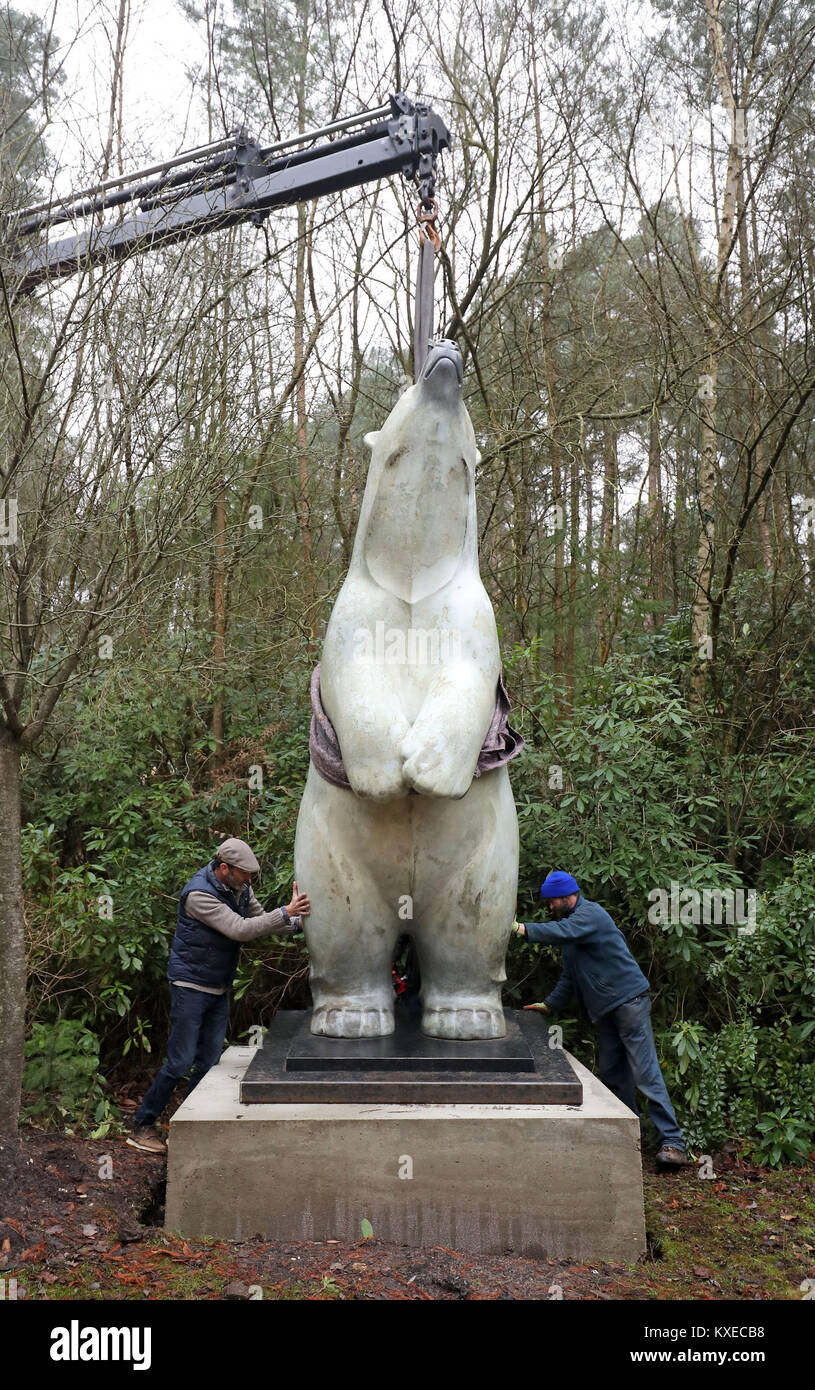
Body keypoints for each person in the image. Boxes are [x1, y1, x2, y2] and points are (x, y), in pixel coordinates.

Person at [126, 837, 310, 1153]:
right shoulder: (198, 895)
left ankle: (183, 1126)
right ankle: (143, 1124)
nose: (249, 880)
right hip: (190, 986)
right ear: (224, 868)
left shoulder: (239, 888)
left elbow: (259, 921)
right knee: (180, 1061)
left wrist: (297, 922)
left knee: (209, 1062)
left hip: (218, 986)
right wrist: (284, 912)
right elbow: (239, 929)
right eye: (244, 874)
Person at [514, 870, 688, 1167]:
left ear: (568, 896)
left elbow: (559, 933)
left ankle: (673, 1143)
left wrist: (517, 928)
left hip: (629, 1002)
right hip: (606, 1011)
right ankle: (626, 1140)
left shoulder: (590, 915)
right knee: (613, 1076)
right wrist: (548, 1005)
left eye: (553, 901)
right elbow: (570, 977)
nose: (550, 907)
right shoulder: (571, 929)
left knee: (644, 1073)